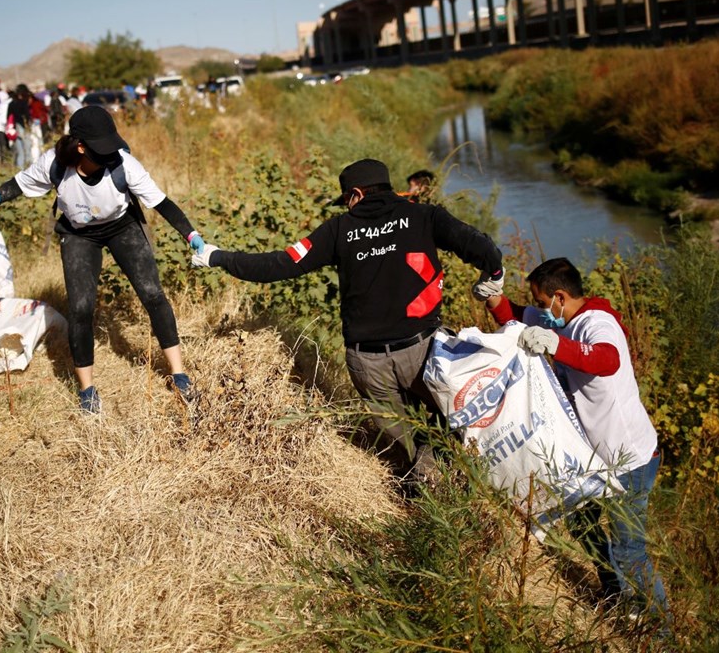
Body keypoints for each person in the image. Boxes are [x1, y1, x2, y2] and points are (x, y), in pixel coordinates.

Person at [191, 158, 506, 484]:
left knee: (411, 447)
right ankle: (451, 486)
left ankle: (423, 482)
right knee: (458, 420)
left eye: (346, 199)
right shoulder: (423, 215)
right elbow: (479, 245)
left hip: (367, 364)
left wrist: (217, 256)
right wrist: (494, 274)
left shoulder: (338, 229)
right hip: (424, 352)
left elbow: (278, 265)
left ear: (356, 193)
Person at [0, 106, 204, 414]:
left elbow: (161, 202)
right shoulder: (55, 164)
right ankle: (87, 390)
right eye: (100, 148)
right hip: (78, 234)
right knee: (80, 307)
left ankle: (179, 373)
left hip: (122, 227)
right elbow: (21, 184)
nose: (109, 154)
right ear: (80, 146)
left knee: (153, 294)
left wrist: (192, 236)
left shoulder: (124, 164)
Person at [485, 257, 668, 621]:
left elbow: (607, 360)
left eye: (542, 302)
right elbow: (517, 316)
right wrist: (492, 298)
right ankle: (616, 596)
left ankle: (661, 633)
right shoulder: (561, 318)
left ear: (559, 297)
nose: (540, 310)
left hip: (629, 460)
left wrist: (556, 345)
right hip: (595, 459)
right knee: (583, 524)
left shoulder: (598, 324)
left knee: (630, 549)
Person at [7, 84, 32, 170]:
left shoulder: (11, 104)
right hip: (23, 128)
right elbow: (27, 117)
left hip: (15, 130)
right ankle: (29, 169)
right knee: (27, 151)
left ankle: (19, 171)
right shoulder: (23, 103)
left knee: (20, 153)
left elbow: (9, 118)